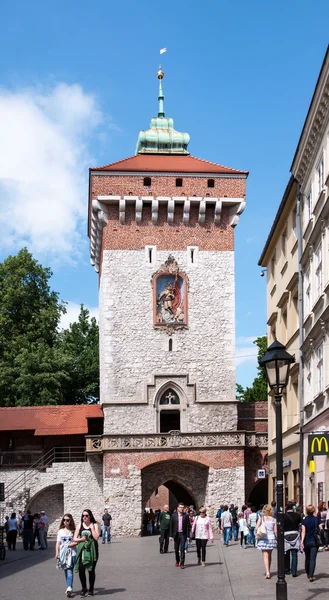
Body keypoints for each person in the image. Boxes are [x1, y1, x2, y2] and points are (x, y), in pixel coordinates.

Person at [74, 509, 100, 597]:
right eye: (83, 516)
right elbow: (74, 538)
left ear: (90, 516)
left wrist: (92, 528)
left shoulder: (95, 525)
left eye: (86, 515)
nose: (84, 517)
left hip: (92, 551)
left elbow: (96, 537)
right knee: (81, 570)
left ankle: (91, 589)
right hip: (82, 551)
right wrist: (81, 539)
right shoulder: (79, 526)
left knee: (91, 570)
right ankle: (84, 588)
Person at [56, 514, 77, 598]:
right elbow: (58, 543)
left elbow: (76, 542)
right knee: (66, 570)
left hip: (72, 553)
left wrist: (68, 545)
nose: (65, 522)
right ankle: (69, 586)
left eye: (67, 520)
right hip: (63, 554)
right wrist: (57, 552)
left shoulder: (74, 531)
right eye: (64, 520)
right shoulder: (60, 531)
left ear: (70, 521)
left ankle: (68, 588)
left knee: (69, 570)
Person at [301, 504, 322, 582]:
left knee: (307, 558)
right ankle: (311, 575)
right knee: (313, 559)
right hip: (315, 541)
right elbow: (321, 528)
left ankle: (307, 572)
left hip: (307, 541)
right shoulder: (317, 519)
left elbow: (303, 531)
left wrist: (302, 541)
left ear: (306, 511)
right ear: (313, 511)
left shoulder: (304, 520)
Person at [256, 503, 277, 579]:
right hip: (271, 538)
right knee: (269, 555)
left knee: (265, 555)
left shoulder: (262, 518)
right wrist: (277, 539)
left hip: (263, 538)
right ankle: (269, 570)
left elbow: (256, 527)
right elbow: (275, 531)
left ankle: (267, 572)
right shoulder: (274, 520)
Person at [169, 502, 190, 569]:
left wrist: (188, 536)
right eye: (180, 507)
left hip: (183, 534)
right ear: (177, 508)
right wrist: (170, 536)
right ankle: (177, 561)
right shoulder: (173, 515)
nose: (181, 509)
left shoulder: (186, 516)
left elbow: (187, 526)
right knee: (176, 549)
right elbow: (171, 526)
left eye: (182, 507)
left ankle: (182, 563)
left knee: (182, 549)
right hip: (176, 534)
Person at [283, 501, 301, 577]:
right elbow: (300, 526)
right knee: (294, 554)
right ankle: (294, 571)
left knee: (286, 553)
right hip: (295, 534)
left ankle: (287, 570)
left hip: (286, 535)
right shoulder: (297, 515)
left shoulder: (283, 516)